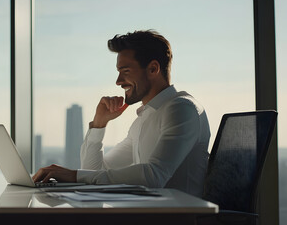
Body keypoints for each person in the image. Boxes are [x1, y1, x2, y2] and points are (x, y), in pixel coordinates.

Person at [32, 30, 210, 197]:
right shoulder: (143, 119)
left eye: (125, 71)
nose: (118, 81)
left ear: (153, 69)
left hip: (179, 217)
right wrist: (99, 124)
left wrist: (74, 175)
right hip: (149, 214)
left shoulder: (181, 109)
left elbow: (154, 176)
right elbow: (95, 171)